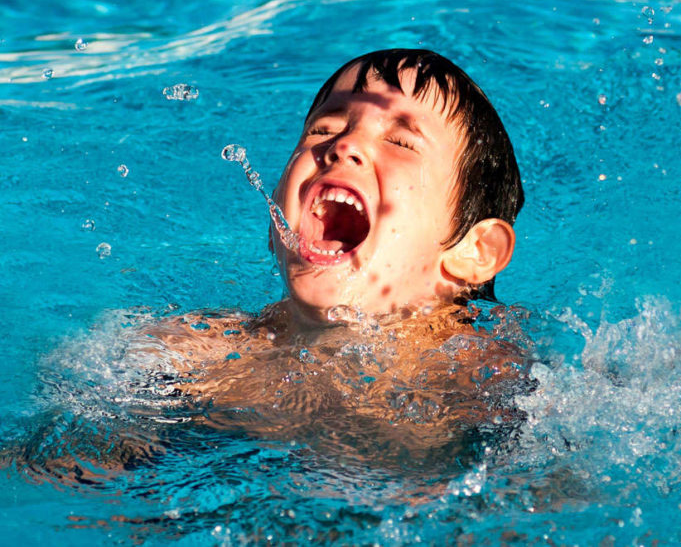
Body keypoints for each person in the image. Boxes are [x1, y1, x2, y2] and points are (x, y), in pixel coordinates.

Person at [8, 49, 532, 485]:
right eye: (323, 128)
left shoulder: (479, 373)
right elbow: (70, 457)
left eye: (399, 140)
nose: (343, 146)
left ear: (474, 253)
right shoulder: (205, 348)